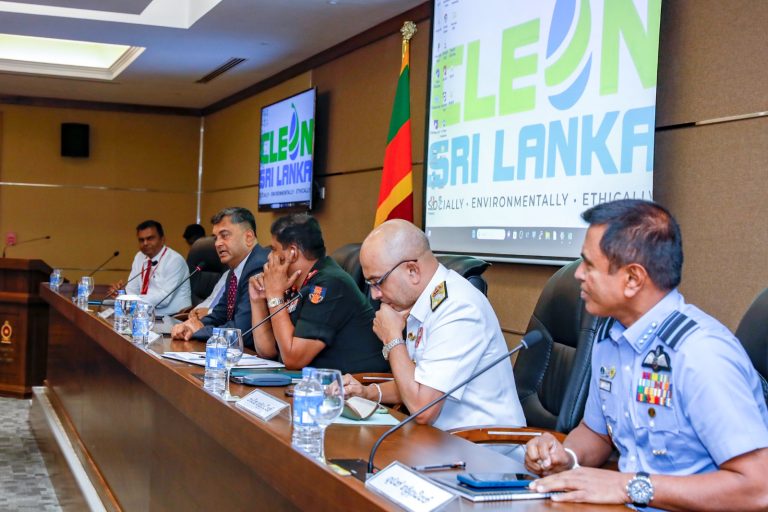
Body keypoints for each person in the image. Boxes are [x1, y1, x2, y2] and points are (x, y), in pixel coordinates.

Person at [525, 199, 768, 510]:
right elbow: (597, 434)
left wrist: (629, 486)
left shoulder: (700, 354)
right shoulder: (609, 337)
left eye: (589, 265)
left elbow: (758, 489)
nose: (578, 275)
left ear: (633, 279)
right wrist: (565, 457)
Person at [341, 219, 525, 430]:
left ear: (412, 270)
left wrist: (392, 337)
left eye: (378, 282)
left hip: (483, 444)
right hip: (440, 440)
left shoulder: (458, 307)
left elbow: (423, 409)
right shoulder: (423, 302)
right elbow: (419, 382)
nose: (374, 294)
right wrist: (368, 393)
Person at [248, 214, 389, 374]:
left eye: (274, 249)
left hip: (357, 385)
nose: (269, 256)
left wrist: (274, 296)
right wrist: (257, 299)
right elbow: (267, 350)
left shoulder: (329, 283)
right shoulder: (294, 283)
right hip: (315, 382)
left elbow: (293, 358)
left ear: (292, 252)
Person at [171, 207, 269, 348]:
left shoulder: (258, 266)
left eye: (224, 235)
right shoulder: (235, 269)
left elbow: (241, 330)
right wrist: (190, 325)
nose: (217, 243)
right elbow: (220, 314)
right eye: (216, 237)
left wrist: (199, 331)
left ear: (248, 237)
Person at [111, 220, 190, 316]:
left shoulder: (174, 260)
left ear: (162, 239)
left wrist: (130, 299)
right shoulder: (139, 257)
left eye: (150, 238)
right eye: (141, 240)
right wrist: (123, 294)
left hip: (174, 316)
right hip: (145, 314)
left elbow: (163, 299)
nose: (145, 243)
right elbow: (132, 289)